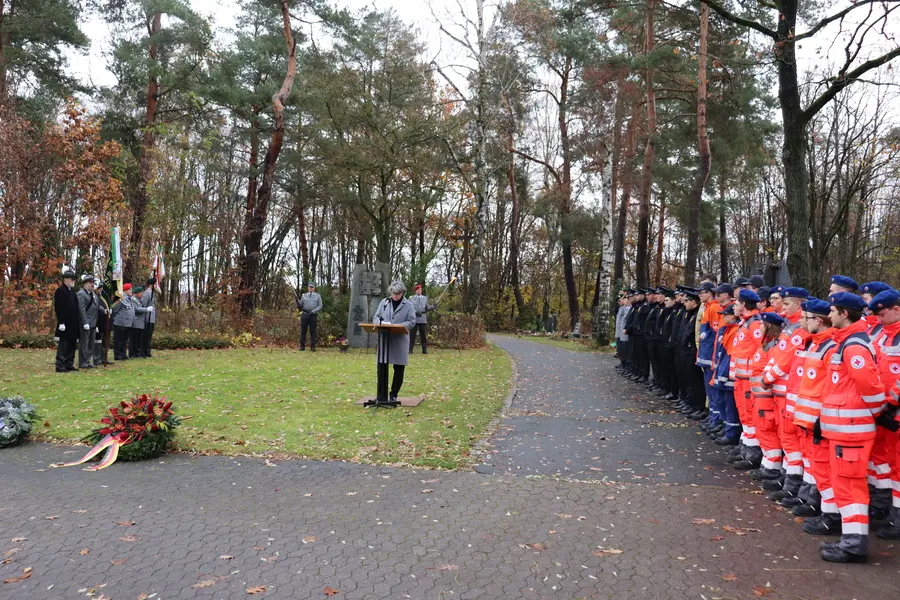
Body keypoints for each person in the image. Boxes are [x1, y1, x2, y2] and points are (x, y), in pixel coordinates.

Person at [817, 291, 885, 563]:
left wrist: (875, 413)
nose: (829, 315)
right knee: (845, 486)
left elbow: (870, 387)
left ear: (845, 314)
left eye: (833, 311)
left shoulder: (854, 346)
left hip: (852, 431)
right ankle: (850, 540)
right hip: (845, 430)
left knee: (851, 488)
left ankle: (854, 545)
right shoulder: (845, 342)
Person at [761, 287, 810, 499]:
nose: (783, 306)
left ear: (798, 304)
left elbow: (787, 359)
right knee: (786, 438)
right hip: (781, 390)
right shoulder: (789, 326)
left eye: (787, 303)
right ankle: (787, 478)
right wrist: (768, 374)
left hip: (788, 391)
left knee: (792, 440)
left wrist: (768, 377)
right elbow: (778, 355)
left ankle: (792, 483)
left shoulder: (799, 328)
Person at [867, 289, 900, 539]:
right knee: (883, 463)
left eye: (882, 314)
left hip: (893, 412)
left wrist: (889, 405)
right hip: (885, 412)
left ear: (896, 310)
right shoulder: (883, 336)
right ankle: (884, 509)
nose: (878, 319)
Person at [729, 288, 764, 470]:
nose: (734, 306)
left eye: (736, 303)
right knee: (744, 415)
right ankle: (746, 447)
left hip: (750, 379)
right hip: (741, 378)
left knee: (750, 416)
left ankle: (753, 453)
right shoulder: (746, 323)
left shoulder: (755, 324)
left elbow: (761, 350)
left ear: (744, 304)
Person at [748, 312, 786, 481]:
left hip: (767, 398)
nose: (760, 327)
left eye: (762, 324)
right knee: (763, 431)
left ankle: (772, 469)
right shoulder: (767, 345)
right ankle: (767, 465)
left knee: (768, 432)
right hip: (760, 397)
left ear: (769, 327)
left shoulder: (773, 348)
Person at [373, 280, 418, 403]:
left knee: (399, 368)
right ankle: (381, 394)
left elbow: (412, 321)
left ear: (402, 293)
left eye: (398, 294)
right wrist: (378, 323)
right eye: (393, 293)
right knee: (381, 366)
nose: (395, 296)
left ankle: (393, 394)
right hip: (385, 339)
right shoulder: (384, 302)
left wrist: (400, 326)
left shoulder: (408, 305)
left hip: (400, 340)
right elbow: (376, 317)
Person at [711, 303, 741, 445]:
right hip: (723, 373)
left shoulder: (734, 331)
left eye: (725, 315)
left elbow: (730, 356)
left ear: (732, 316)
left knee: (729, 406)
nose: (723, 318)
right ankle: (726, 428)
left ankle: (731, 433)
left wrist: (723, 374)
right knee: (721, 401)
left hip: (728, 375)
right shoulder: (728, 329)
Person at [53, 270, 81, 373]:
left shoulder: (72, 291)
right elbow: (59, 307)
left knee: (72, 344)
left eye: (74, 279)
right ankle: (60, 365)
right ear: (66, 279)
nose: (73, 281)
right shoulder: (60, 291)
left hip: (73, 323)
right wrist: (61, 322)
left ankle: (69, 363)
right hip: (65, 323)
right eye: (72, 279)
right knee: (64, 344)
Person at [76, 274, 101, 369]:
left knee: (91, 344)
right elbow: (81, 309)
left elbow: (97, 306)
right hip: (86, 323)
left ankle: (87, 360)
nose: (92, 284)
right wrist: (85, 322)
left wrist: (105, 310)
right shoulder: (81, 294)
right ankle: (82, 362)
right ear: (85, 284)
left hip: (93, 322)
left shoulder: (93, 294)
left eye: (93, 282)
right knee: (84, 344)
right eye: (90, 283)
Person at [111, 283, 136, 361]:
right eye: (130, 289)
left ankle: (123, 353)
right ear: (125, 290)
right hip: (120, 323)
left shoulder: (130, 299)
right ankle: (118, 355)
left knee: (125, 340)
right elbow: (114, 309)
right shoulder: (120, 297)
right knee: (119, 340)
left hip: (127, 323)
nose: (131, 291)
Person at [409, 284, 435, 354]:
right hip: (414, 318)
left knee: (423, 335)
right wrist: (415, 312)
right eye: (418, 290)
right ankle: (410, 349)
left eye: (420, 290)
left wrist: (433, 306)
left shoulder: (425, 298)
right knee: (412, 335)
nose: (419, 291)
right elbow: (409, 307)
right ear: (415, 291)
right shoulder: (411, 298)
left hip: (423, 318)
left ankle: (424, 350)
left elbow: (427, 308)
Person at [297, 282, 322, 351]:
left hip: (313, 315)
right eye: (310, 287)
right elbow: (301, 305)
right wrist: (298, 302)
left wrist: (313, 311)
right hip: (304, 314)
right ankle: (302, 346)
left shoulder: (318, 296)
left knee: (313, 331)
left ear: (314, 288)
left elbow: (320, 306)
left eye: (312, 287)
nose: (311, 288)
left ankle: (313, 347)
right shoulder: (304, 295)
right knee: (303, 331)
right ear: (308, 288)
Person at [129, 286, 151, 359]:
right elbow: (136, 309)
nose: (142, 294)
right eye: (141, 293)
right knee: (134, 339)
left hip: (140, 323)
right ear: (136, 293)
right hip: (135, 322)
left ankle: (137, 353)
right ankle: (132, 354)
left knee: (138, 339)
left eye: (142, 292)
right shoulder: (133, 299)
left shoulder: (139, 300)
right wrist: (146, 309)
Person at [142, 277, 160, 358]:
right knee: (146, 335)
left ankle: (147, 350)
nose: (156, 286)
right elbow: (144, 305)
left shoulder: (152, 293)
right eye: (155, 284)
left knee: (149, 335)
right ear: (150, 285)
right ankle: (145, 350)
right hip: (147, 318)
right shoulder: (147, 293)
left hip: (151, 318)